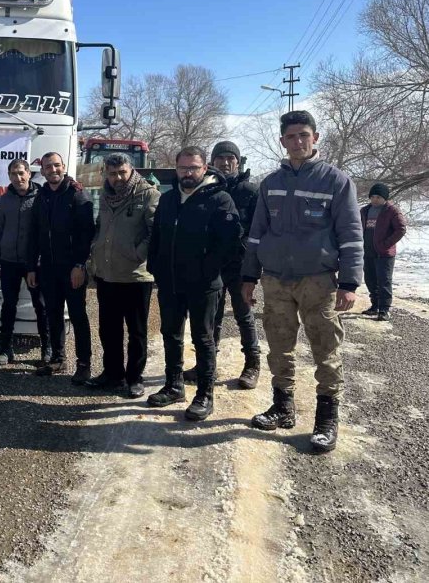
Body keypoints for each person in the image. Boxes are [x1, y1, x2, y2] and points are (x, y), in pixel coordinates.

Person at [242, 110, 363, 453]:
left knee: (326, 349)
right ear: (282, 141)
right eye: (290, 136)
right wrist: (249, 276)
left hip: (318, 281)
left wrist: (350, 283)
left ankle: (327, 417)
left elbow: (352, 235)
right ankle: (283, 406)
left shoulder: (336, 181)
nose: (297, 142)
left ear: (315, 138)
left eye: (303, 135)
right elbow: (256, 234)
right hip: (276, 281)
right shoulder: (271, 183)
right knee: (279, 346)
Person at [146, 146, 240, 421]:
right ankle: (174, 385)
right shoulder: (168, 199)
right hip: (171, 282)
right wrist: (155, 267)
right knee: (171, 334)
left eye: (193, 168)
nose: (188, 173)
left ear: (205, 168)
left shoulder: (220, 199)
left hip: (204, 284)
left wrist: (208, 270)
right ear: (175, 169)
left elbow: (230, 243)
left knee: (203, 338)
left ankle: (204, 394)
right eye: (182, 168)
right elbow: (158, 237)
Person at [184, 141, 262, 389]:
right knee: (211, 316)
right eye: (220, 158)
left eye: (231, 158)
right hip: (213, 263)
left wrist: (246, 247)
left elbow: (260, 227)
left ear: (238, 162)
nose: (226, 162)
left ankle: (252, 364)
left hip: (240, 263)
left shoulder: (249, 190)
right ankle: (207, 364)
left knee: (243, 315)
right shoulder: (206, 187)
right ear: (212, 162)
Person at [86, 152, 159, 398]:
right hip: (107, 275)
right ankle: (112, 374)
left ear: (131, 170)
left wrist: (138, 254)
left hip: (135, 277)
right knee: (109, 330)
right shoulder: (106, 195)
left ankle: (134, 378)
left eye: (122, 173)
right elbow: (100, 227)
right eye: (113, 173)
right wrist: (95, 251)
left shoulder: (147, 194)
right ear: (106, 173)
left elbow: (155, 232)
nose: (117, 178)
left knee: (137, 332)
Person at [27, 152, 95, 383]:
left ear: (64, 167)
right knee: (52, 314)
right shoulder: (41, 196)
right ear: (42, 170)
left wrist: (80, 265)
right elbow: (34, 235)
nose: (53, 170)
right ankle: (58, 359)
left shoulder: (77, 194)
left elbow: (87, 234)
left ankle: (84, 364)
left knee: (77, 316)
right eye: (48, 167)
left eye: (56, 165)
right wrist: (31, 267)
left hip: (72, 269)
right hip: (48, 268)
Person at [0, 159, 49, 366]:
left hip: (35, 263)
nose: (18, 178)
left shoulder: (41, 197)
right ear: (9, 176)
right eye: (14, 174)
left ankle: (47, 349)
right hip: (8, 262)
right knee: (9, 305)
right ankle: (5, 349)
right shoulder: (5, 200)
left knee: (41, 305)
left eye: (21, 173)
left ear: (29, 174)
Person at [360, 183, 406, 322]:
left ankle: (384, 310)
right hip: (367, 252)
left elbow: (401, 229)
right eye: (372, 197)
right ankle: (374, 306)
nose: (375, 200)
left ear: (385, 198)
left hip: (384, 254)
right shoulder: (365, 210)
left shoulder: (392, 211)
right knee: (370, 280)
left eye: (378, 197)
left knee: (384, 281)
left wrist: (386, 244)